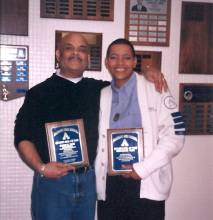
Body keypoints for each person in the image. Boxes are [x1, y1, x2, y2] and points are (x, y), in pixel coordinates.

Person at [14, 33, 167, 220]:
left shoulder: (101, 90)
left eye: (82, 49)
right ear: (58, 54)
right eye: (69, 48)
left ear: (88, 58)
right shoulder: (38, 93)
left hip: (89, 182)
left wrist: (148, 71)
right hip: (53, 183)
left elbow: (126, 79)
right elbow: (22, 136)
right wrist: (42, 168)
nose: (76, 53)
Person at [95, 38, 185, 220]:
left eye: (127, 58)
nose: (120, 63)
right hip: (110, 185)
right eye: (114, 57)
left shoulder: (156, 88)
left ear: (135, 62)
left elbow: (177, 133)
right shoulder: (101, 94)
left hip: (147, 180)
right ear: (107, 62)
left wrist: (143, 168)